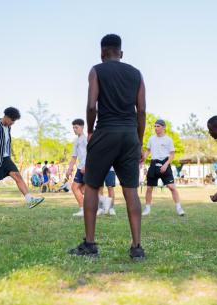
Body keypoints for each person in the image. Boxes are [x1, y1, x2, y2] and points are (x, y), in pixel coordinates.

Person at [69, 34, 146, 260]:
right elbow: (141, 110)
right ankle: (137, 247)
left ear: (102, 53)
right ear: (121, 53)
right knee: (130, 190)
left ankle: (90, 245)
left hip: (105, 132)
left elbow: (91, 105)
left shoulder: (96, 70)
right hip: (130, 135)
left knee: (92, 187)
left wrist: (91, 131)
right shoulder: (136, 74)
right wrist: (139, 140)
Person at [0, 107, 44, 220]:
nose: (13, 123)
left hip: (6, 158)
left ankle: (30, 199)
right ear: (6, 117)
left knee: (18, 176)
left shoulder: (8, 127)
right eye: (12, 120)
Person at [66, 119, 112, 217]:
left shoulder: (86, 139)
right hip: (80, 168)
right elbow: (74, 156)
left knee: (77, 188)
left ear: (82, 127)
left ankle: (86, 208)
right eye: (73, 127)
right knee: (82, 190)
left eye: (76, 127)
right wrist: (69, 169)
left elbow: (92, 153)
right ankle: (103, 201)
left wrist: (87, 166)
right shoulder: (76, 141)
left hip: (88, 167)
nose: (74, 129)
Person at [142, 119, 185, 216]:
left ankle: (179, 208)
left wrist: (165, 164)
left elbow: (172, 155)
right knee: (149, 188)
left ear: (164, 127)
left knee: (172, 187)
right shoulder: (151, 139)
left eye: (158, 126)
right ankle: (147, 209)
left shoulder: (168, 140)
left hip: (165, 163)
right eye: (155, 126)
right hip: (153, 164)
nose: (156, 128)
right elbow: (148, 151)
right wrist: (143, 158)